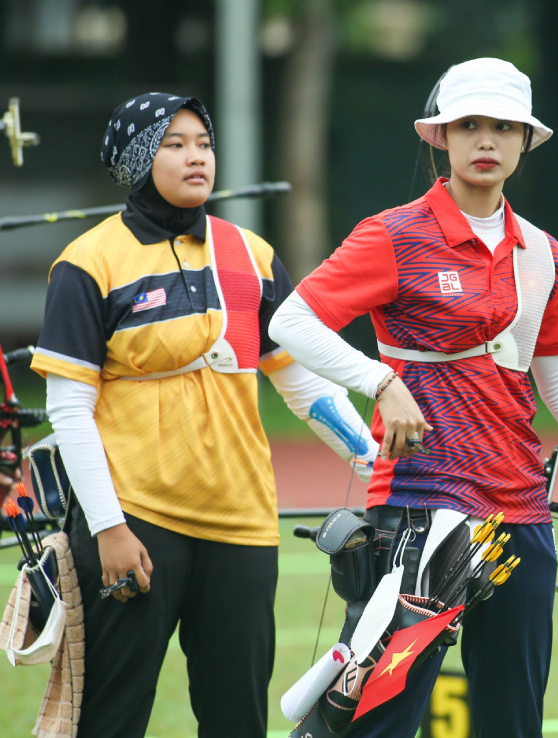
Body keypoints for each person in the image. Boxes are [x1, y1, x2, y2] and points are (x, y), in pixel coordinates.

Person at [269, 58, 558, 738]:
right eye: (470, 126)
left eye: (503, 128)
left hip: (519, 512)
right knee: (380, 720)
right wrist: (382, 381)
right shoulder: (394, 235)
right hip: (421, 512)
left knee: (511, 722)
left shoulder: (542, 252)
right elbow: (290, 322)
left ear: (524, 142)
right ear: (442, 138)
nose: (486, 140)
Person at [29, 92, 378, 738]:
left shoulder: (252, 254)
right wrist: (107, 528)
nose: (197, 157)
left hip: (242, 527)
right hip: (135, 525)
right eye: (175, 144)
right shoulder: (87, 263)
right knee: (110, 719)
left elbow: (299, 386)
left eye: (205, 144)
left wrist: (377, 464)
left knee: (237, 719)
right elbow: (68, 409)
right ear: (138, 158)